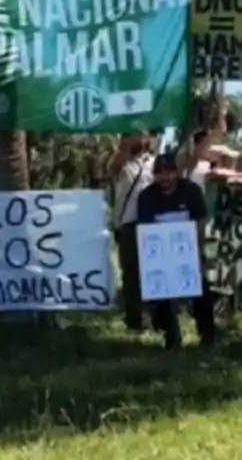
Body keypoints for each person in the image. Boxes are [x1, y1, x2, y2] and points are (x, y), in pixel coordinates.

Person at [136, 152, 215, 350]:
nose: (165, 178)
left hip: (189, 251)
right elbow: (145, 230)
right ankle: (171, 336)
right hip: (160, 254)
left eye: (169, 172)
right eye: (160, 173)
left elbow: (201, 220)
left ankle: (207, 335)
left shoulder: (192, 191)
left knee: (203, 293)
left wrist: (197, 249)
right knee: (161, 297)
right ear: (155, 175)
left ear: (177, 173)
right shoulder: (146, 196)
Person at [107, 130, 155, 332]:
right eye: (129, 134)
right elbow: (111, 169)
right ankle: (134, 321)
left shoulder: (154, 162)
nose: (135, 138)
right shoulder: (121, 162)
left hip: (152, 224)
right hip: (128, 225)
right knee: (131, 274)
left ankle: (155, 318)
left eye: (140, 135)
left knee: (152, 273)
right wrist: (127, 144)